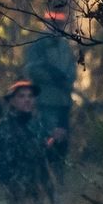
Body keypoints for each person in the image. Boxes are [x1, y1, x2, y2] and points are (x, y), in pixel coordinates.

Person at [0, 80, 63, 204]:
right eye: (21, 96)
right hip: (22, 198)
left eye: (31, 96)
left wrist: (55, 139)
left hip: (42, 195)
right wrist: (19, 195)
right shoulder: (4, 128)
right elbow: (3, 169)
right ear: (11, 101)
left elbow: (43, 153)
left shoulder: (35, 126)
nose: (27, 100)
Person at [23, 10, 76, 172]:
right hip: (45, 102)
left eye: (59, 24)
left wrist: (65, 80)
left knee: (62, 143)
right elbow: (31, 70)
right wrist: (52, 78)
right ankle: (46, 177)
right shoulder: (38, 45)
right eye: (53, 24)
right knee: (47, 140)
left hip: (64, 103)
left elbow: (72, 72)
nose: (56, 27)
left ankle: (59, 177)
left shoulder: (65, 46)